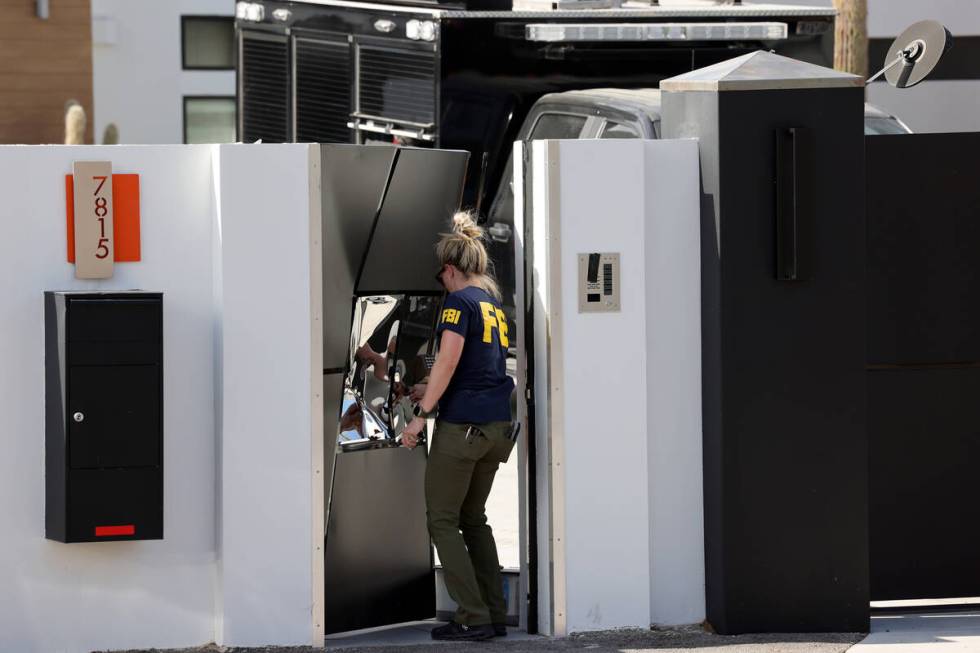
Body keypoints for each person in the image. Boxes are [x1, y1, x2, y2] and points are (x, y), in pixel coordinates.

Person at [400, 211, 516, 642]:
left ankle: (472, 614)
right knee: (474, 518)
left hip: (462, 429)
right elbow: (474, 367)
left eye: (440, 276)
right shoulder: (491, 304)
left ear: (450, 269)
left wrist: (420, 416)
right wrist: (427, 387)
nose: (441, 283)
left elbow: (447, 361)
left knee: (443, 521)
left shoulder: (457, 304)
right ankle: (494, 611)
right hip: (495, 428)